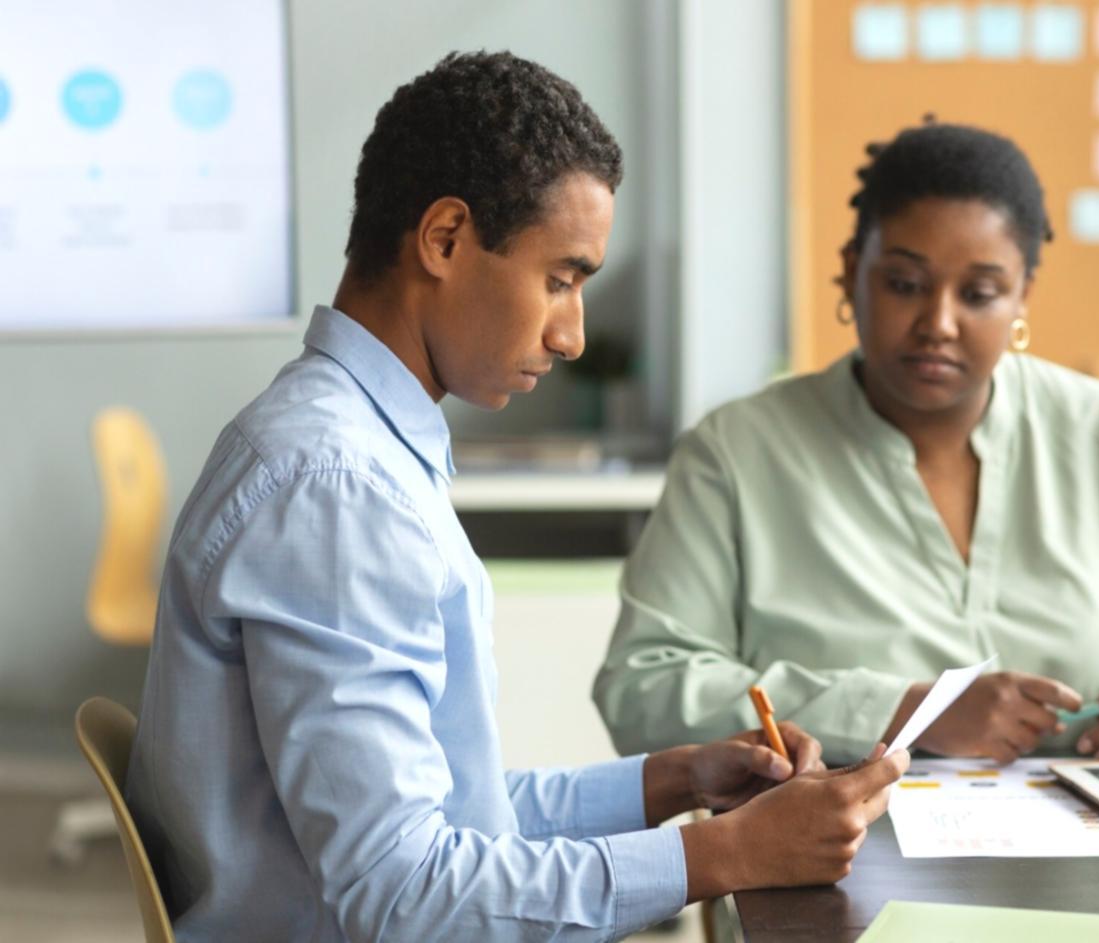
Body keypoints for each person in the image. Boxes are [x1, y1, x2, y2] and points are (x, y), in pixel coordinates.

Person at [125, 51, 907, 943]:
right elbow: (406, 896)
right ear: (445, 239)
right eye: (561, 279)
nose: (571, 332)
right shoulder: (337, 489)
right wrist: (728, 856)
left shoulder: (353, 449)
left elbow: (461, 815)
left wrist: (680, 780)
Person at [594, 121, 1099, 767]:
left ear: (1023, 298)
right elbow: (643, 688)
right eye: (904, 284)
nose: (939, 323)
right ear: (848, 272)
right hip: (842, 865)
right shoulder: (737, 453)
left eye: (981, 293)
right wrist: (897, 712)